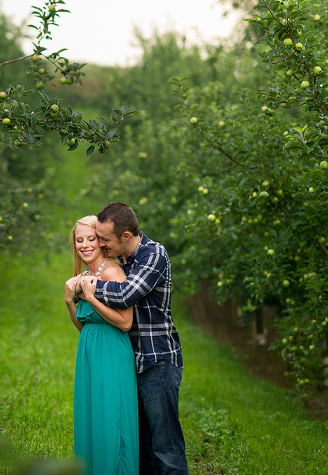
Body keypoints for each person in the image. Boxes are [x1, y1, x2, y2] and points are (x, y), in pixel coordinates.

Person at [81, 202, 188, 475]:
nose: (101, 245)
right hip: (129, 362)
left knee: (165, 448)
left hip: (157, 360)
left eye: (105, 239)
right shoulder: (120, 261)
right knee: (140, 450)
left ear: (125, 236)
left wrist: (86, 288)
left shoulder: (153, 254)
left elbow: (127, 294)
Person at [64, 215, 139, 475]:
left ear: (101, 241)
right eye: (79, 240)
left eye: (91, 239)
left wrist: (91, 298)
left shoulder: (112, 272)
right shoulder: (84, 274)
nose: (84, 245)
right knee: (92, 420)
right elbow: (85, 326)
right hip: (89, 354)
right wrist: (70, 302)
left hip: (112, 355)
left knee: (111, 421)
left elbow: (126, 322)